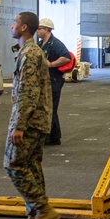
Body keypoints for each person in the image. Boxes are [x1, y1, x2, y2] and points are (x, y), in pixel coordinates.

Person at [5, 12, 58, 219]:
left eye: (15, 23)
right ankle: (35, 218)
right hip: (36, 120)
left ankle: (42, 209)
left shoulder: (30, 53)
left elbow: (28, 92)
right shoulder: (30, 51)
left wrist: (20, 125)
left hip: (30, 121)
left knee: (14, 165)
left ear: (24, 27)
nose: (11, 26)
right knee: (32, 168)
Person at [36, 17, 72, 146]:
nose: (37, 31)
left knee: (50, 107)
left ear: (47, 29)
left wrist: (51, 64)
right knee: (47, 108)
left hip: (54, 79)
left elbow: (66, 57)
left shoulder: (55, 43)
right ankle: (52, 136)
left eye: (39, 29)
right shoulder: (41, 44)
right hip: (45, 80)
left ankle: (52, 136)